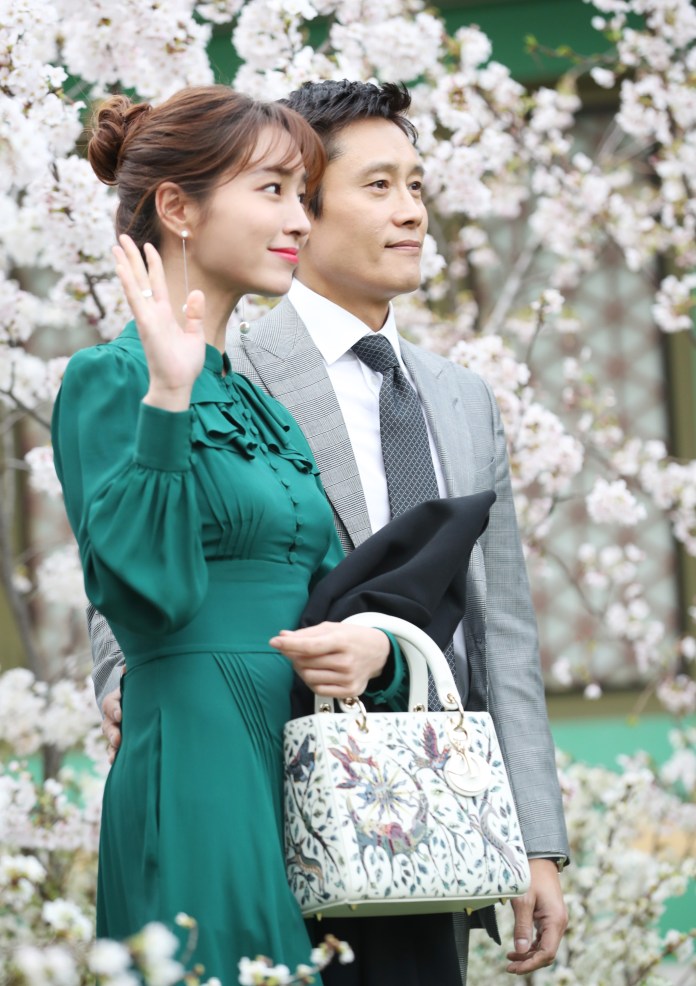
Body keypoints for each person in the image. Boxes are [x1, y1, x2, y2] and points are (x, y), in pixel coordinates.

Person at [90, 80, 570, 984]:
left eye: (418, 186)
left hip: (430, 809)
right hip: (269, 782)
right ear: (304, 206)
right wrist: (130, 682)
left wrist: (534, 837)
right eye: (379, 186)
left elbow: (500, 627)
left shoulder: (464, 398)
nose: (412, 212)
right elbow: (135, 541)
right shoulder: (224, 360)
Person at [51, 85, 406, 985]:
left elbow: (333, 589)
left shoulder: (263, 408)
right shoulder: (110, 380)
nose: (301, 220)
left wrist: (380, 652)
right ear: (179, 207)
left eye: (304, 195)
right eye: (273, 190)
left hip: (304, 765)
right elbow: (145, 597)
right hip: (198, 760)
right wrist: (168, 399)